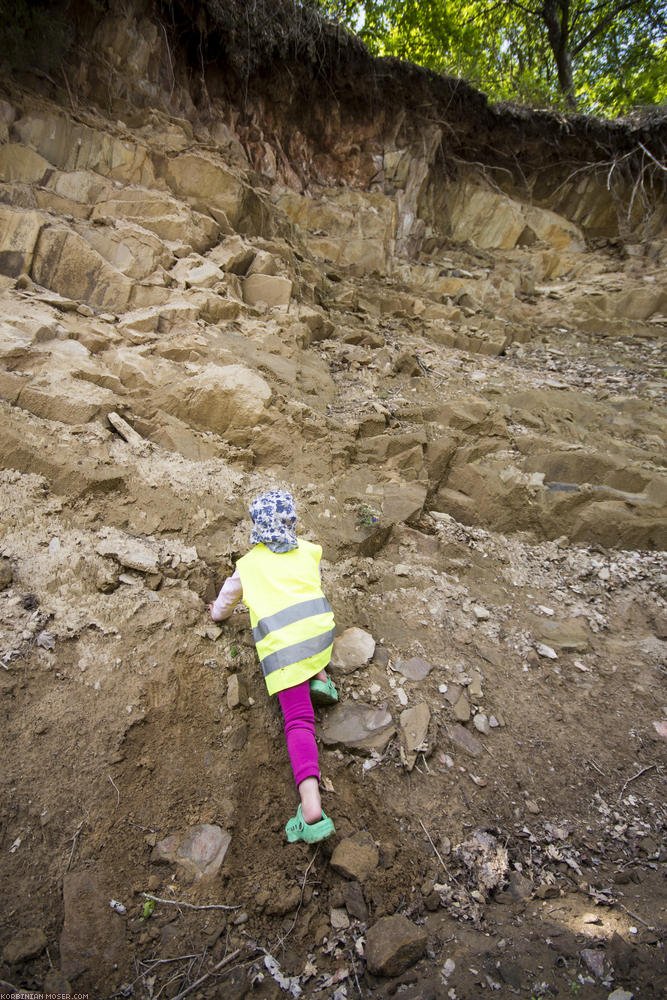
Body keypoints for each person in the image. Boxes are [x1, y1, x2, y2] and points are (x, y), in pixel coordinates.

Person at [209, 489, 338, 844]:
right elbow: (305, 591)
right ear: (291, 520)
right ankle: (322, 678)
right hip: (320, 638)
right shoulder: (310, 551)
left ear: (257, 527)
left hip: (285, 655)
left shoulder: (248, 565)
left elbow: (224, 605)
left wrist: (215, 614)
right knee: (309, 623)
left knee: (298, 721)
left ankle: (311, 808)